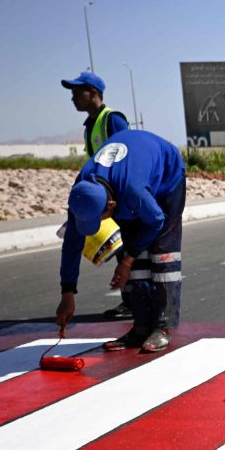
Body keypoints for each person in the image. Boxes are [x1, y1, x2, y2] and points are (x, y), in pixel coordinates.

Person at [55, 130, 186, 353]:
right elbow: (71, 244)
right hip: (129, 179)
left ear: (111, 206)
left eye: (101, 219)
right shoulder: (82, 193)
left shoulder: (133, 191)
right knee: (132, 256)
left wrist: (126, 262)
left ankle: (162, 327)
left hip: (167, 177)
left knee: (163, 254)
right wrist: (67, 294)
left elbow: (155, 221)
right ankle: (142, 326)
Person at [61, 70, 133, 320]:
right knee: (118, 249)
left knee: (129, 249)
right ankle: (131, 300)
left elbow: (127, 155)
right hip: (104, 195)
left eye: (76, 93)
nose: (72, 99)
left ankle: (136, 301)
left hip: (119, 196)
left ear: (93, 94)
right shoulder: (90, 125)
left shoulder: (112, 119)